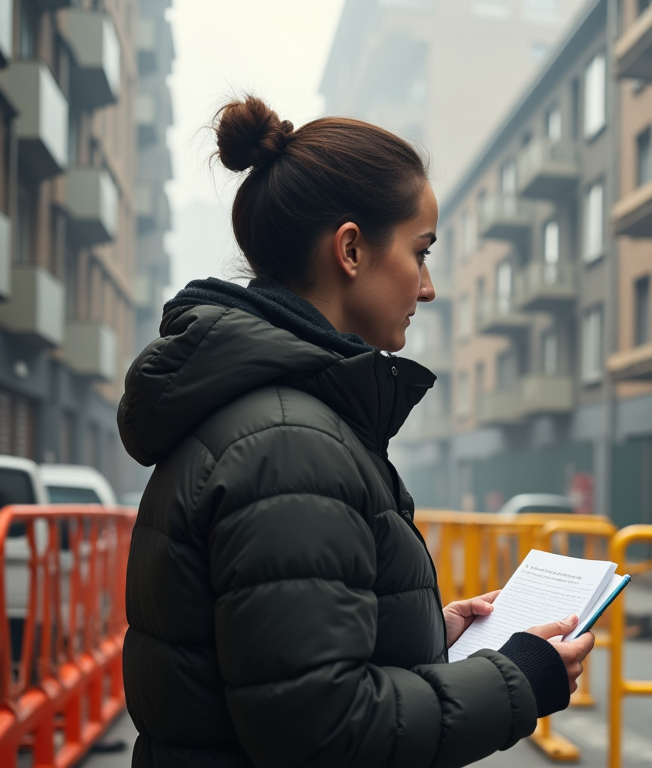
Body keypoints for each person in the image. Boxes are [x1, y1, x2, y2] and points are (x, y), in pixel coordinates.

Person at [117, 96, 595, 768]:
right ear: (350, 250)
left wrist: (429, 632)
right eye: (420, 252)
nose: (427, 288)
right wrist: (519, 679)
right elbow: (320, 730)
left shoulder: (274, 420)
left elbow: (291, 667)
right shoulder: (289, 443)